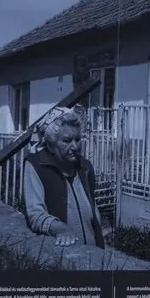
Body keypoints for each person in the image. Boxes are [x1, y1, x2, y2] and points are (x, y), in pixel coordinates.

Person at [22, 106, 105, 248]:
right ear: (51, 144)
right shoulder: (37, 165)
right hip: (62, 253)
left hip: (93, 253)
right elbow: (35, 214)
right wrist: (60, 228)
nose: (75, 146)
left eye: (77, 139)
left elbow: (92, 209)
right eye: (67, 141)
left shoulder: (85, 167)